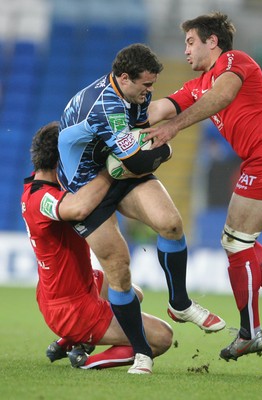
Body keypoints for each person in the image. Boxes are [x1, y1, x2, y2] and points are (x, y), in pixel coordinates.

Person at [144, 12, 262, 361]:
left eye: (191, 42)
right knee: (239, 241)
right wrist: (116, 117)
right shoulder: (199, 84)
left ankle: (251, 332)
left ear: (212, 41)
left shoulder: (236, 62)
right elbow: (160, 107)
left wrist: (174, 128)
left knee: (235, 242)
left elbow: (222, 97)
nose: (186, 51)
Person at [57, 44, 225, 374]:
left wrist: (150, 147)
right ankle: (140, 352)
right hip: (85, 187)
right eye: (146, 85)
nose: (150, 92)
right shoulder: (104, 104)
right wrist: (166, 150)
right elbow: (138, 158)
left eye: (152, 85)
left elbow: (136, 147)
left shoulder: (135, 93)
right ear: (123, 77)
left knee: (171, 224)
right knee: (119, 268)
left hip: (116, 169)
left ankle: (179, 303)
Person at [21, 122, 173, 371]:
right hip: (71, 308)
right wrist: (109, 172)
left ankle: (68, 341)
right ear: (63, 158)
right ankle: (85, 362)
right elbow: (80, 207)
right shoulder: (41, 199)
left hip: (69, 288)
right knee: (162, 337)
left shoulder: (37, 188)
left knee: (133, 295)